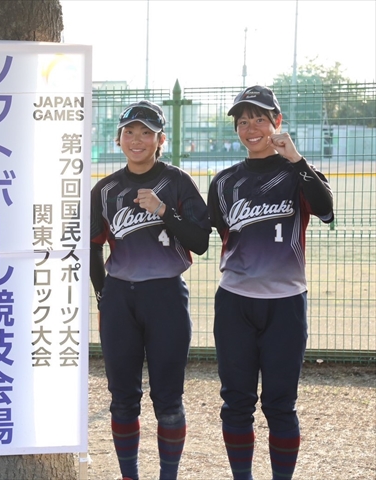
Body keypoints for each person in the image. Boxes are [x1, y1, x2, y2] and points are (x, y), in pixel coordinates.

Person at [207, 86, 334, 480]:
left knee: (280, 404)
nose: (251, 128)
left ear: (276, 122)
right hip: (235, 302)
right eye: (243, 121)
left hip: (286, 303)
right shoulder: (224, 182)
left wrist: (295, 157)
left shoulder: (297, 173)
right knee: (236, 403)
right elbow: (221, 233)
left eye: (260, 119)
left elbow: (326, 210)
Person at [90, 100, 212, 480]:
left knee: (169, 400)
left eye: (146, 133)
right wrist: (104, 295)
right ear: (118, 139)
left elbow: (200, 241)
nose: (137, 140)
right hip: (119, 299)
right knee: (122, 399)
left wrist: (163, 211)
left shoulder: (176, 182)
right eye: (129, 132)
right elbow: (92, 247)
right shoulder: (105, 189)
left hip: (166, 296)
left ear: (161, 140)